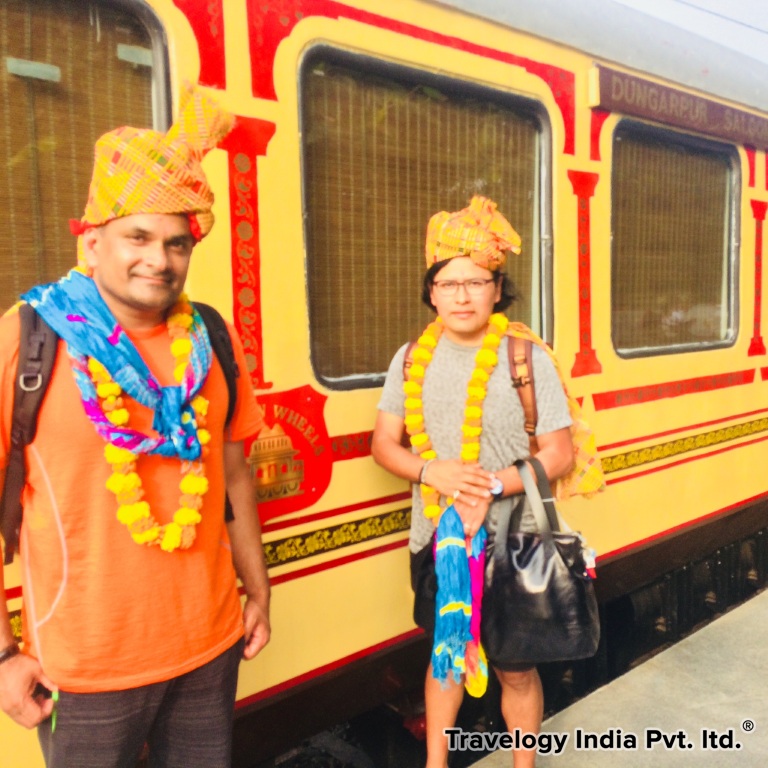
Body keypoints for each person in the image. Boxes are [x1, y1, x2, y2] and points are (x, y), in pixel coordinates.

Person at [0, 85, 270, 767]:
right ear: (91, 241)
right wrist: (3, 655)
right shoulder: (26, 340)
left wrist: (258, 587)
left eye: (177, 243)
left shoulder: (209, 337)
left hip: (209, 647)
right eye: (138, 237)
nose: (160, 259)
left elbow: (232, 471)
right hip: (85, 667)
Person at [371, 196, 575, 768]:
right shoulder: (410, 360)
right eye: (448, 282)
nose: (462, 295)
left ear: (497, 289)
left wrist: (488, 488)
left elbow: (558, 453)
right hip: (439, 541)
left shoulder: (525, 359)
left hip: (515, 545)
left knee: (515, 668)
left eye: (476, 281)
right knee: (446, 659)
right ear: (432, 291)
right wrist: (429, 470)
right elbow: (384, 445)